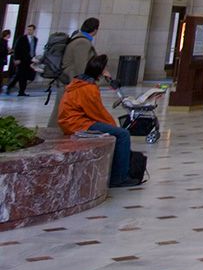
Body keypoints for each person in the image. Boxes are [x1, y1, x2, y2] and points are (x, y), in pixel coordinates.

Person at [57, 54, 141, 188]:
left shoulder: (80, 82)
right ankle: (119, 177)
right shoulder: (88, 88)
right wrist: (114, 126)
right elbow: (97, 113)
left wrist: (109, 79)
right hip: (76, 123)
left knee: (118, 132)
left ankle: (117, 173)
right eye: (105, 68)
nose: (107, 70)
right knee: (123, 134)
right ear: (100, 70)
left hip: (72, 121)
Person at [49, 17, 101, 126]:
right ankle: (53, 131)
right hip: (71, 82)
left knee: (62, 110)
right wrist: (89, 83)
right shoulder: (82, 42)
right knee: (61, 111)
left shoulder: (78, 38)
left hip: (69, 81)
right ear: (95, 30)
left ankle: (54, 130)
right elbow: (81, 67)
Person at [6, 23, 37, 95]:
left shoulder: (35, 39)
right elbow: (16, 49)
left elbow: (32, 49)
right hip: (21, 60)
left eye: (30, 30)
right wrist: (16, 59)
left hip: (29, 60)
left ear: (33, 30)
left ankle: (15, 88)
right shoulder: (21, 38)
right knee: (21, 75)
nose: (29, 31)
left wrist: (33, 58)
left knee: (22, 75)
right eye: (28, 29)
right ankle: (20, 91)